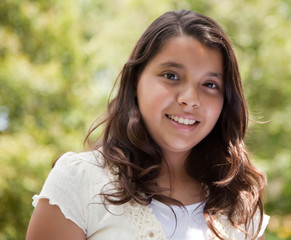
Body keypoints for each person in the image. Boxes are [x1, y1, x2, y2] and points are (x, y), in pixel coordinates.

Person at [26, 9, 269, 240]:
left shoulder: (239, 204)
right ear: (135, 83)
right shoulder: (80, 180)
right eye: (171, 76)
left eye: (209, 84)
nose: (190, 99)